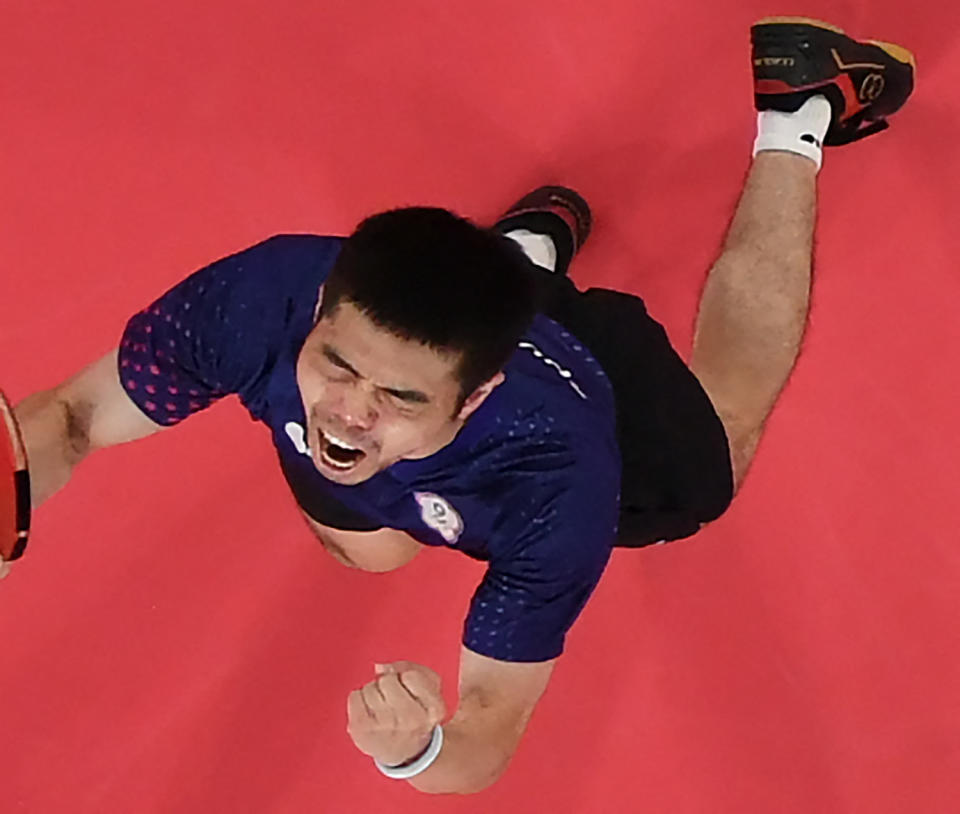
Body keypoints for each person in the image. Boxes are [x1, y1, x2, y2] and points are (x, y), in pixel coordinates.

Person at [7, 17, 914, 795]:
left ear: (473, 395)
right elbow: (74, 418)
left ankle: (798, 114)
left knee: (729, 423)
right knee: (372, 550)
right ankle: (515, 258)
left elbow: (491, 724)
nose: (347, 415)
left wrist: (417, 752)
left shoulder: (559, 481)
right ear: (321, 311)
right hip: (445, 381)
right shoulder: (259, 306)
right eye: (337, 366)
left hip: (591, 380)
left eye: (396, 397)